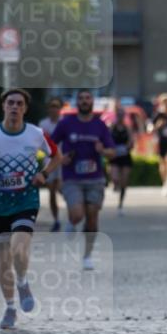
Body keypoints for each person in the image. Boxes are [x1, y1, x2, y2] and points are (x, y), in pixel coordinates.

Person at [0, 89, 61, 329]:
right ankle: (9, 308)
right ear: (4, 107)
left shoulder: (36, 134)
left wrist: (44, 173)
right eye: (11, 103)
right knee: (3, 260)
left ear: (25, 109)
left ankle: (23, 281)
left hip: (26, 201)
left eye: (19, 104)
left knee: (19, 247)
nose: (15, 107)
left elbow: (57, 156)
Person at [51, 88, 115, 270]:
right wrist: (60, 157)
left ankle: (87, 255)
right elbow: (50, 144)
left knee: (93, 219)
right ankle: (72, 222)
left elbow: (112, 152)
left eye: (88, 98)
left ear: (92, 102)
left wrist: (103, 151)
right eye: (81, 98)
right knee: (78, 214)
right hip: (72, 178)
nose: (85, 101)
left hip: (95, 179)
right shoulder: (66, 123)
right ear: (76, 103)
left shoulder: (100, 125)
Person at [39, 96, 64, 231]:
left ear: (60, 109)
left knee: (62, 189)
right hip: (50, 160)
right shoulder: (43, 124)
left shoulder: (65, 123)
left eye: (56, 106)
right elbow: (40, 143)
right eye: (51, 106)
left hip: (64, 160)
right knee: (52, 192)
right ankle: (57, 220)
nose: (54, 109)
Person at [109, 107, 134, 213]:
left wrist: (127, 147)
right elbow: (107, 140)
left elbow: (131, 141)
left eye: (122, 114)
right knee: (115, 177)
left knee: (124, 181)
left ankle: (120, 203)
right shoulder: (111, 127)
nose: (120, 117)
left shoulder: (127, 128)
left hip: (125, 156)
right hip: (115, 156)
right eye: (118, 114)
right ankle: (114, 183)